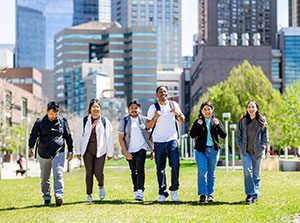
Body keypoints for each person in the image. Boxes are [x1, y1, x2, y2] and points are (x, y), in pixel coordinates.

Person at [28, 101, 73, 206]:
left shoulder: (62, 121)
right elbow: (33, 135)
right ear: (47, 111)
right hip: (43, 152)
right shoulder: (40, 122)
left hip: (59, 151)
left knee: (58, 173)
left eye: (56, 114)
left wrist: (70, 150)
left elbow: (68, 136)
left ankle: (59, 196)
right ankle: (47, 197)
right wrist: (31, 147)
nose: (53, 116)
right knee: (45, 177)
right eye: (52, 113)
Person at [146, 86, 185, 202]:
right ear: (157, 95)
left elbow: (182, 119)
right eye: (160, 92)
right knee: (160, 168)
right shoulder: (153, 107)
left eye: (164, 92)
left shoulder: (173, 105)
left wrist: (177, 113)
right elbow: (148, 125)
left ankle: (174, 190)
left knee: (175, 165)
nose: (163, 93)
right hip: (158, 141)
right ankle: (162, 193)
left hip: (172, 139)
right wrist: (155, 117)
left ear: (167, 93)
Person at [76, 99, 114, 203]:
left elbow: (109, 137)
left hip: (100, 150)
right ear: (90, 109)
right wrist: (78, 151)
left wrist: (110, 153)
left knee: (98, 172)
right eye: (93, 107)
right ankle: (89, 195)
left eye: (97, 107)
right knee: (89, 173)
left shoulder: (105, 121)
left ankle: (101, 186)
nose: (95, 109)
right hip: (87, 150)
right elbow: (79, 137)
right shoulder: (84, 121)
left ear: (100, 109)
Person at [189, 101, 227, 203]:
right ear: (201, 111)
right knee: (202, 172)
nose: (207, 111)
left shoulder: (215, 121)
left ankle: (210, 195)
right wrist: (197, 125)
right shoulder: (198, 121)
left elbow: (224, 135)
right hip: (201, 151)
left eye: (209, 109)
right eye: (205, 109)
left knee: (211, 173)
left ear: (212, 110)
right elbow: (192, 134)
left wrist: (218, 125)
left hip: (214, 151)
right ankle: (202, 194)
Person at [118, 100, 153, 201]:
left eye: (136, 108)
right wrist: (125, 152)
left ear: (139, 109)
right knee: (133, 170)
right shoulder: (124, 121)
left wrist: (152, 149)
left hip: (141, 148)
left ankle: (140, 191)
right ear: (129, 109)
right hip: (129, 149)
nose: (134, 110)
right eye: (131, 108)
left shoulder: (145, 120)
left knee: (140, 168)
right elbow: (120, 138)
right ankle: (136, 189)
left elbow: (150, 136)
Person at [236, 100, 268, 205]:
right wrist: (241, 147)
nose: (251, 109)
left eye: (253, 107)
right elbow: (238, 136)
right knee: (247, 172)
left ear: (257, 109)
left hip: (258, 152)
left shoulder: (262, 121)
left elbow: (265, 137)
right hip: (246, 152)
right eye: (249, 107)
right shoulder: (242, 121)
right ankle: (249, 194)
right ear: (247, 109)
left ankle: (255, 194)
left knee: (256, 175)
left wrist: (262, 147)